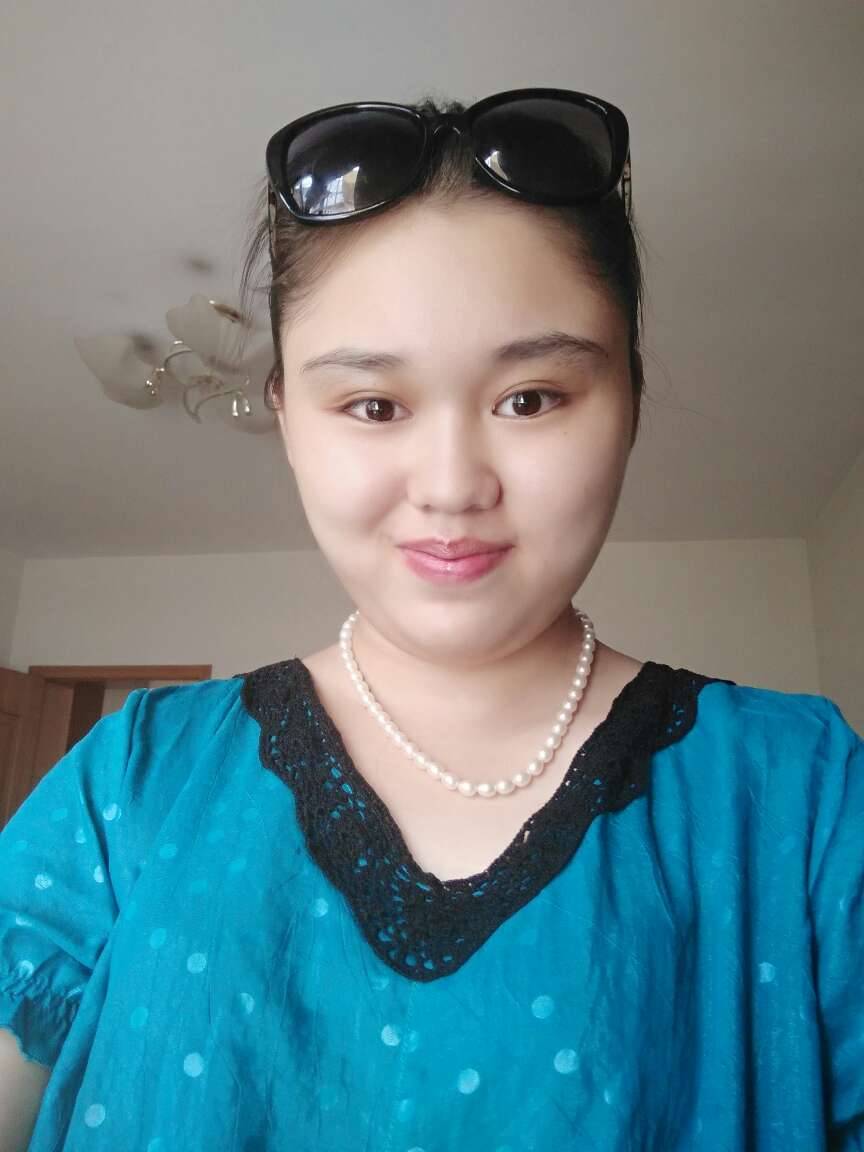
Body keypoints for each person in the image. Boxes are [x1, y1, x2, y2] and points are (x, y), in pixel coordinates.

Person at [1, 88, 861, 1152]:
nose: (452, 487)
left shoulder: (803, 795)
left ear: (630, 401)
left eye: (531, 398)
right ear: (287, 417)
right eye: (373, 405)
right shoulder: (132, 782)